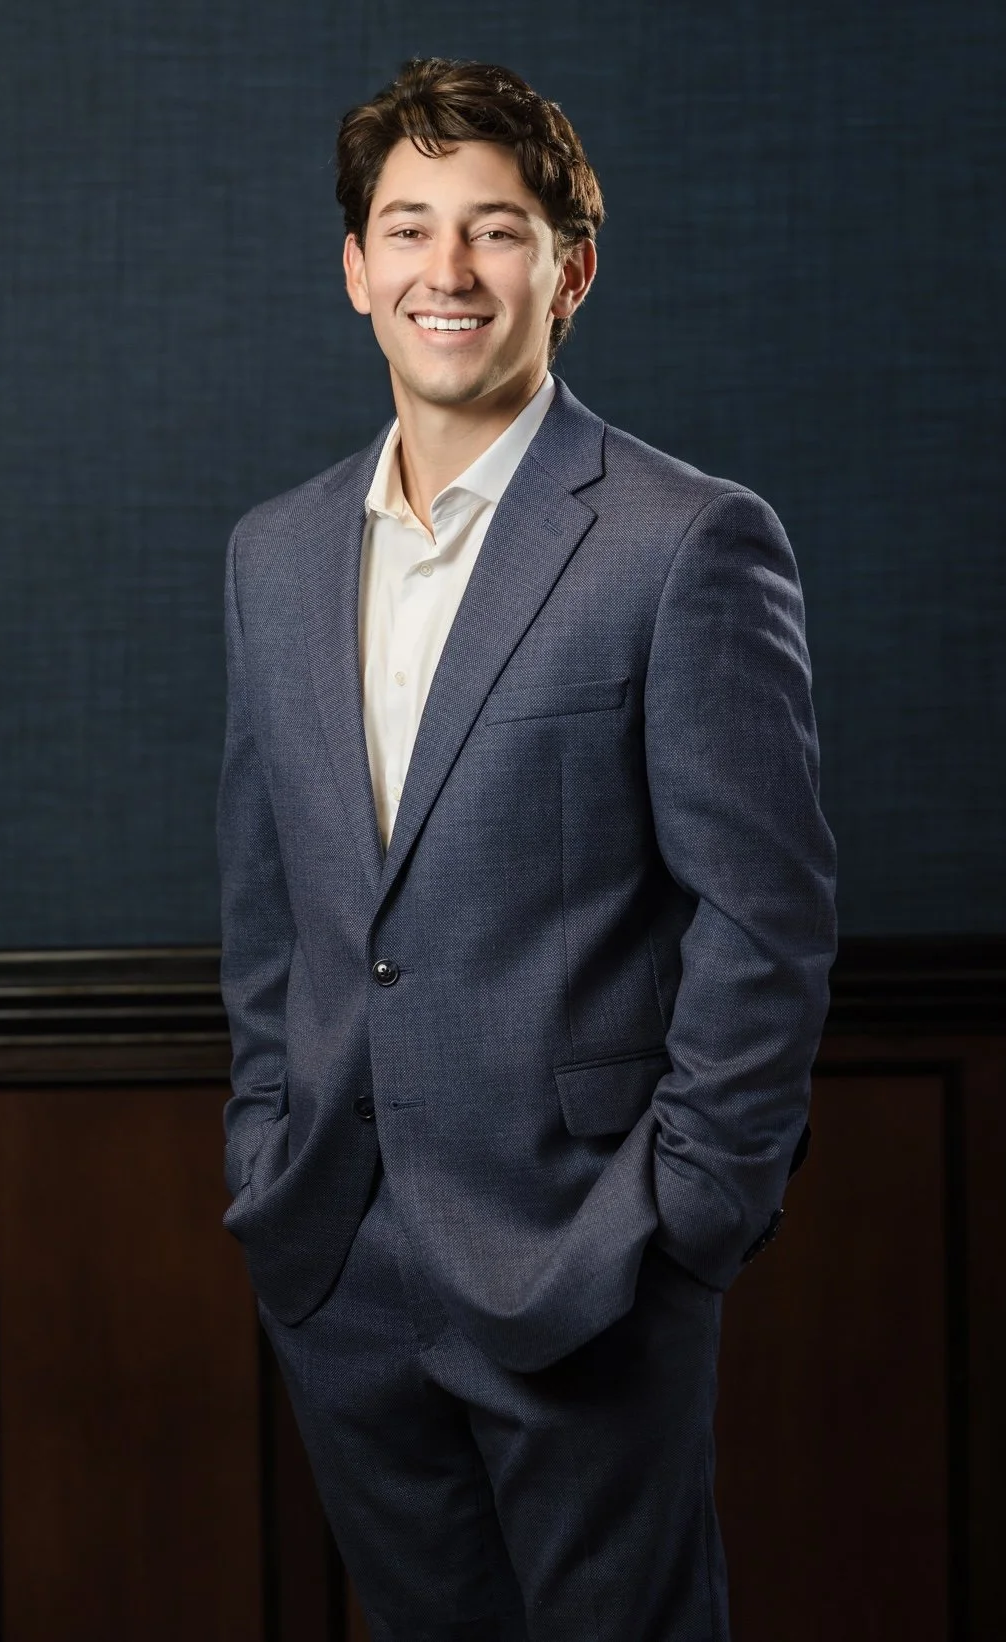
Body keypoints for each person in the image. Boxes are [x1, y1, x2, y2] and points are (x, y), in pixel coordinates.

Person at [217, 56, 837, 1642]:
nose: (448, 268)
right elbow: (270, 905)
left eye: (494, 229)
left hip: (586, 1261)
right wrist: (269, 1152)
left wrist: (684, 1219)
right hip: (338, 1262)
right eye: (406, 227)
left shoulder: (683, 540)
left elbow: (763, 920)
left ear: (568, 272)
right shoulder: (274, 556)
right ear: (353, 268)